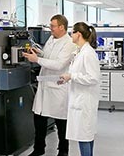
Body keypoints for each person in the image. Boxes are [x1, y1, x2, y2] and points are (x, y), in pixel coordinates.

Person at [23, 14, 76, 156]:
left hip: (58, 87)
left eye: (52, 26)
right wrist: (38, 52)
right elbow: (48, 55)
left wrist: (37, 59)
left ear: (61, 27)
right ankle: (39, 149)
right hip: (45, 85)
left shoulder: (69, 44)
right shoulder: (51, 39)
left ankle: (63, 151)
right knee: (39, 118)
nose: (50, 28)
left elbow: (59, 64)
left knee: (61, 122)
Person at [58, 22, 100, 156]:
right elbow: (78, 74)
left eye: (72, 32)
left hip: (84, 101)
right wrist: (67, 78)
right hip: (79, 99)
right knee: (86, 135)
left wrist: (72, 76)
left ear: (78, 34)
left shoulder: (88, 53)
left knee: (84, 137)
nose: (70, 34)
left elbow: (93, 78)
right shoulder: (80, 51)